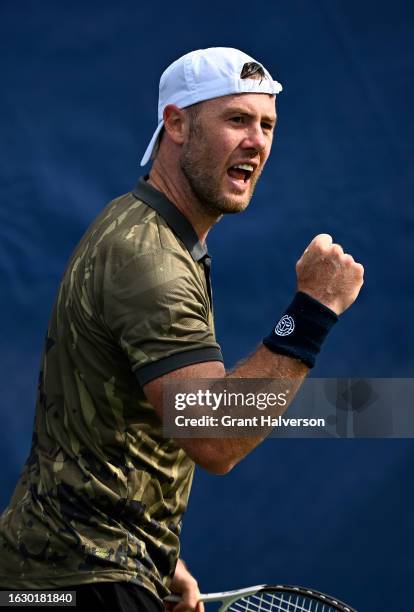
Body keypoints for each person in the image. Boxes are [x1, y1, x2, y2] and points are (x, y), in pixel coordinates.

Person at [0, 47, 364, 611]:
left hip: (56, 580)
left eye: (267, 125)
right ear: (176, 123)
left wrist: (161, 561)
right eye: (237, 120)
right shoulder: (149, 260)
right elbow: (213, 436)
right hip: (86, 582)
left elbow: (109, 421)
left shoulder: (142, 229)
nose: (258, 141)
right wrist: (313, 310)